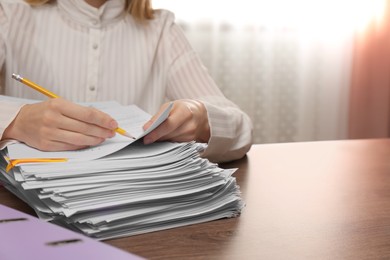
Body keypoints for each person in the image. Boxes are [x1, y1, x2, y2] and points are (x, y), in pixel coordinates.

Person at [0, 0, 253, 163]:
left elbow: (240, 126)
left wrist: (201, 119)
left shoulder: (161, 29)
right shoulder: (10, 15)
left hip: (134, 209)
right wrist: (15, 121)